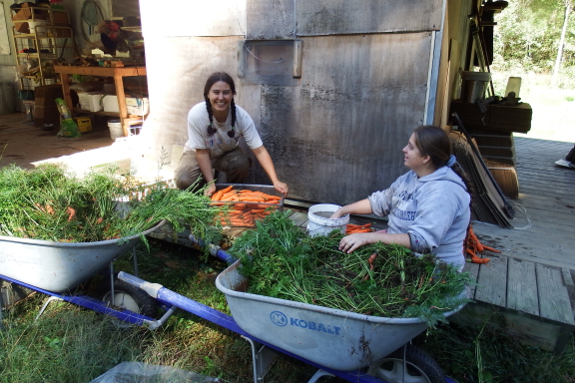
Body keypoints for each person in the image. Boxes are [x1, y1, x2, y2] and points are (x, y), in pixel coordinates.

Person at [331, 125, 472, 271]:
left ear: (425, 158)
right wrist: (342, 210)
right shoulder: (411, 177)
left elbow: (421, 241)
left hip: (432, 273)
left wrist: (368, 237)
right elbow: (380, 202)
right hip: (400, 259)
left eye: (410, 147)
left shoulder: (443, 192)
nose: (404, 149)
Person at [175, 72, 288, 197]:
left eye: (226, 92)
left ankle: (229, 196)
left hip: (226, 152)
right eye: (216, 92)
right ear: (207, 94)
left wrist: (275, 181)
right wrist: (210, 183)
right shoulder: (197, 114)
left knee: (241, 164)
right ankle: (202, 200)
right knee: (184, 179)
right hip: (197, 153)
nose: (221, 97)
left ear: (233, 94)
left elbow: (259, 150)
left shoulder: (241, 116)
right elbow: (201, 152)